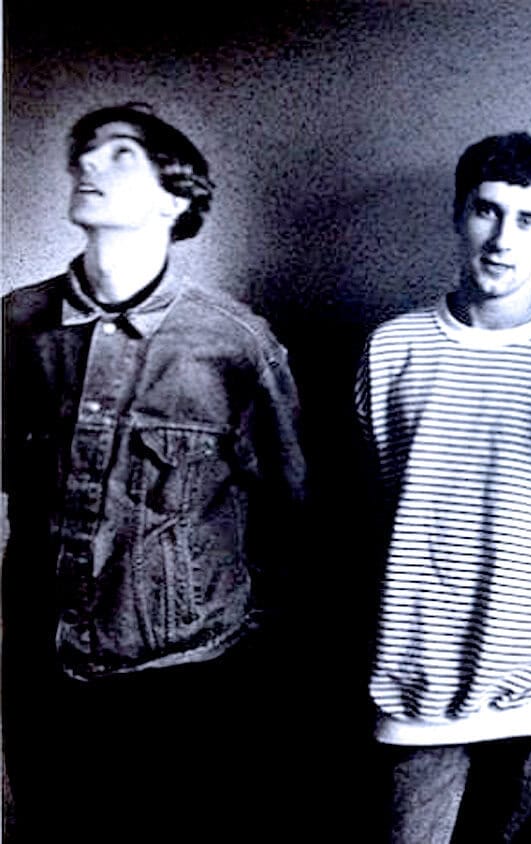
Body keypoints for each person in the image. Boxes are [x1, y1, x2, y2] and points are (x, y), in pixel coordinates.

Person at [1, 102, 306, 842]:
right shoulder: (17, 326)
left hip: (183, 686)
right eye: (86, 152)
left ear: (176, 198)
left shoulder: (235, 345)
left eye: (120, 155)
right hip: (45, 678)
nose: (89, 166)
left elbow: (293, 516)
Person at [354, 132, 531, 843]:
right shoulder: (393, 348)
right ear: (459, 214)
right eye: (487, 212)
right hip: (418, 671)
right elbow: (377, 506)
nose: (502, 239)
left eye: (527, 220)